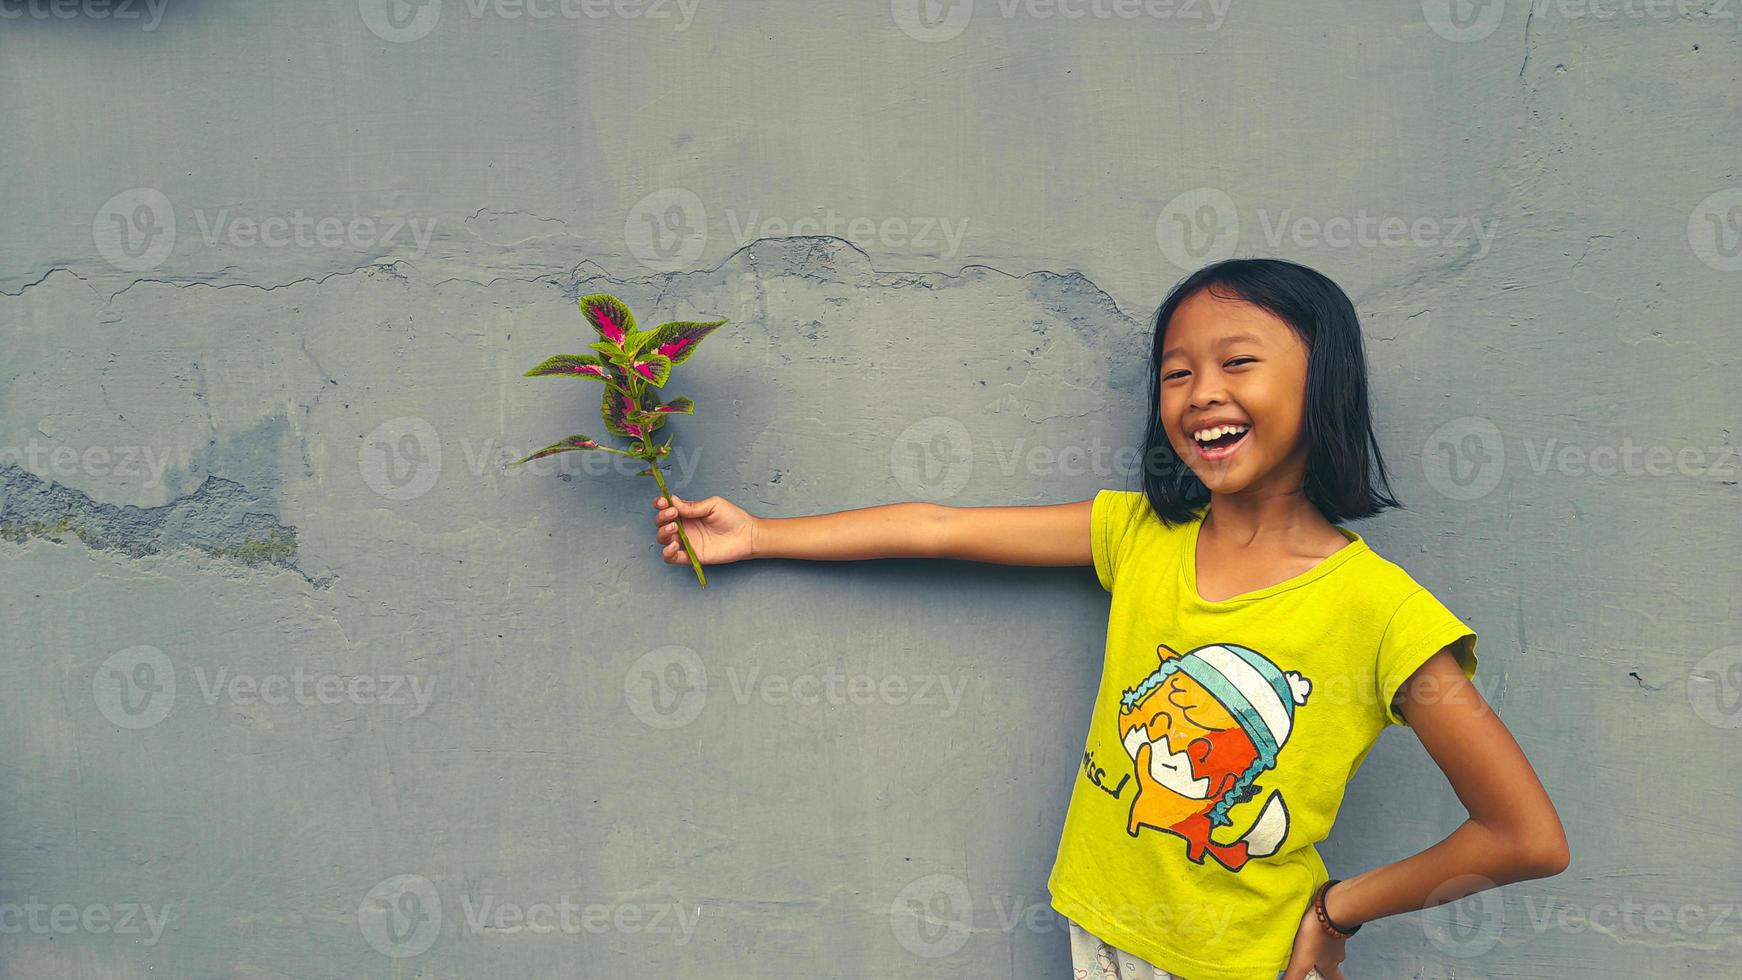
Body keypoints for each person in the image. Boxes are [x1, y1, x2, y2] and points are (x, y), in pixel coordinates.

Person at [648, 257, 1569, 980]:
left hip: (1244, 965)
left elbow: (1526, 838)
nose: (1201, 391)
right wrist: (759, 533)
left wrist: (1338, 909)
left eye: (1237, 361)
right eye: (1176, 372)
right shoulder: (1143, 534)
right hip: (1097, 933)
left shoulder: (1383, 611)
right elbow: (938, 528)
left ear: (1323, 382)